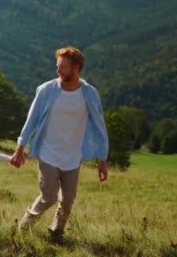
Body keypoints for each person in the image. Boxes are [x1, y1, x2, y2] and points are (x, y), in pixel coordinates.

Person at [11, 46, 109, 240]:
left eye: (63, 67)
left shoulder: (89, 94)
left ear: (77, 67)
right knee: (48, 196)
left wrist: (103, 158)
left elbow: (100, 126)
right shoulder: (47, 90)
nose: (58, 71)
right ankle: (23, 227)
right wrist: (20, 148)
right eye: (58, 66)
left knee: (68, 200)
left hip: (73, 156)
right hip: (48, 153)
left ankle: (57, 232)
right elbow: (32, 119)